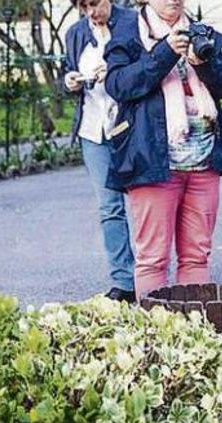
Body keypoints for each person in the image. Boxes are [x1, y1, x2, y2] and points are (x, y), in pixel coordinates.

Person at [104, 0, 222, 298]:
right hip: (153, 162)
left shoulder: (199, 30)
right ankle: (157, 337)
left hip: (204, 162)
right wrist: (165, 52)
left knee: (197, 255)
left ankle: (195, 336)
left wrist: (203, 62)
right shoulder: (128, 31)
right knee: (153, 258)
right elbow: (118, 85)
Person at [62, 0, 137, 303]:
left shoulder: (133, 22)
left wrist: (117, 71)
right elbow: (68, 70)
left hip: (130, 127)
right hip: (93, 130)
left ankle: (150, 274)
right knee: (110, 208)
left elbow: (147, 68)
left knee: (146, 203)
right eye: (84, 6)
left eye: (97, 3)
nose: (92, 11)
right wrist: (69, 81)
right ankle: (123, 280)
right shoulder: (76, 33)